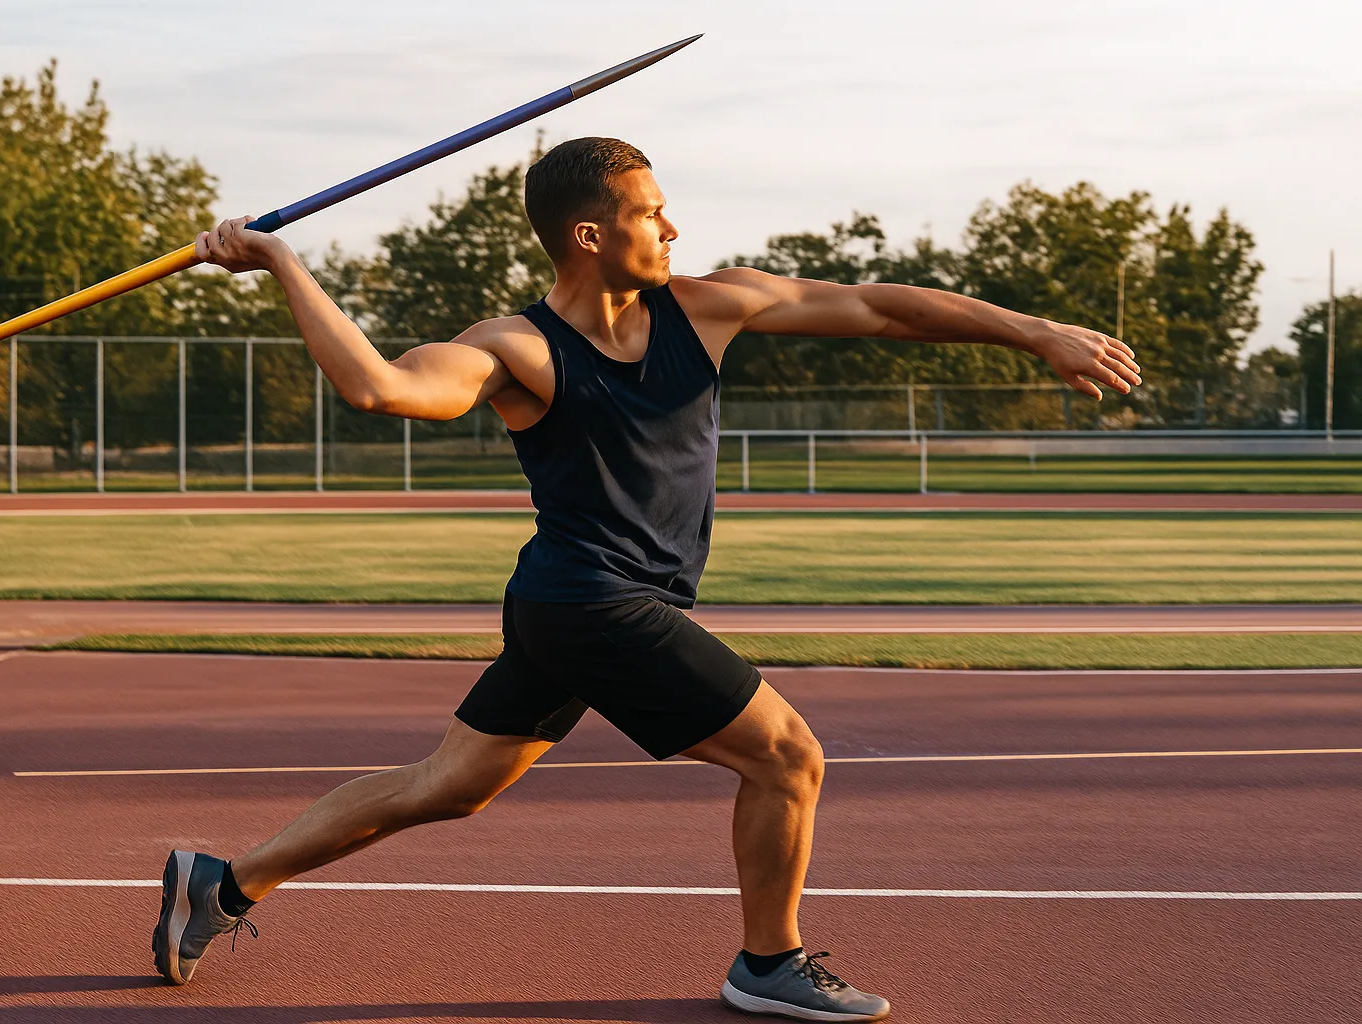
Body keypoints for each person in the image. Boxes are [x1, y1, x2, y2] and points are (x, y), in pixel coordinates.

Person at [152, 137, 1140, 1021]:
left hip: (578, 607)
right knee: (787, 756)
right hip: (591, 603)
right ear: (590, 233)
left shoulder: (711, 305)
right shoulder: (520, 348)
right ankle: (770, 961)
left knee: (446, 786)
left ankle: (223, 882)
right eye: (650, 211)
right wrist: (280, 259)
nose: (672, 225)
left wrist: (1034, 330)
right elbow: (382, 385)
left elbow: (882, 308)